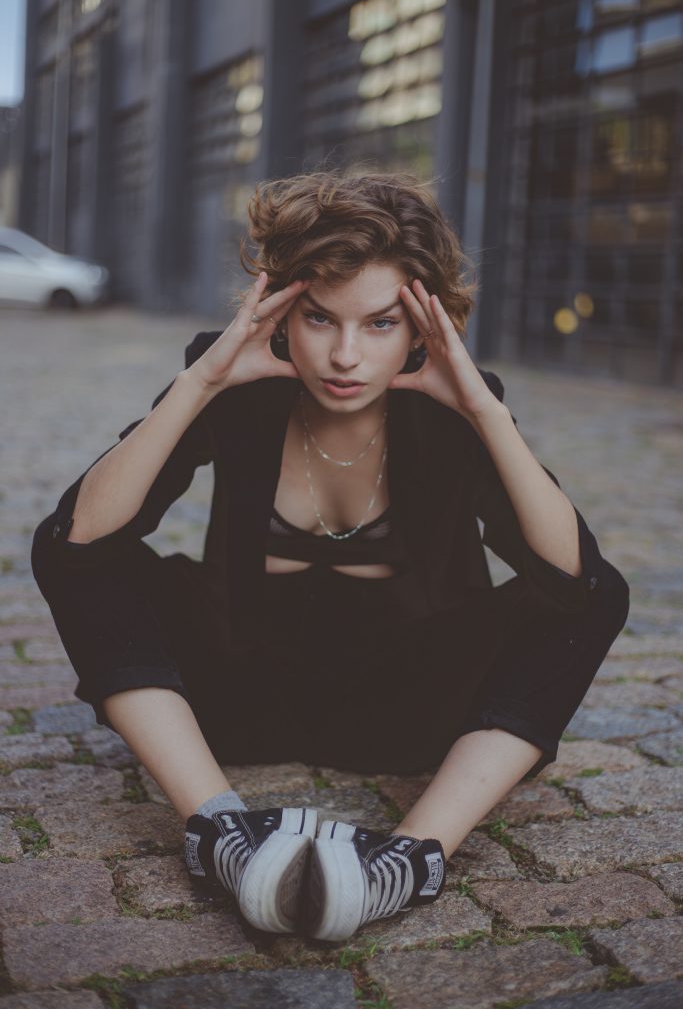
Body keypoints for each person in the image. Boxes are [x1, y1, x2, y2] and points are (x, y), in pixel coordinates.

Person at [31, 170, 630, 943]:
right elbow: (82, 537)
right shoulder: (234, 386)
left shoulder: (454, 410)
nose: (345, 355)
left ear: (422, 326)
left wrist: (483, 411)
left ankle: (411, 856)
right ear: (280, 311)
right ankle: (222, 836)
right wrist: (203, 380)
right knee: (72, 550)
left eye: (380, 324)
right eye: (320, 318)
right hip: (236, 699)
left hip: (408, 708)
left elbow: (569, 577)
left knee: (597, 590)